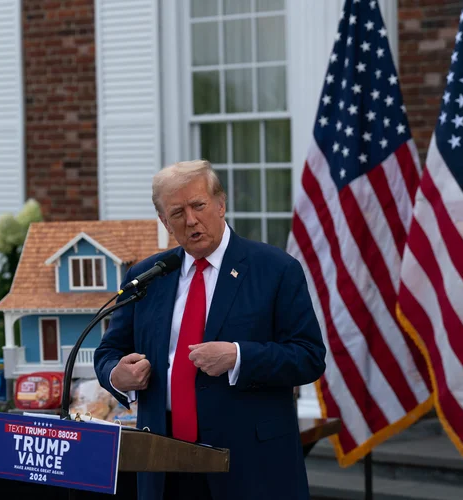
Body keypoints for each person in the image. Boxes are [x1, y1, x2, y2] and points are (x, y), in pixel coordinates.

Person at [94, 160, 326, 500]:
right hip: (163, 464)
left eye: (198, 206)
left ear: (221, 204)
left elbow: (309, 357)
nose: (190, 220)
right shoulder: (147, 276)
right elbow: (108, 352)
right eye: (177, 213)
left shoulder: (275, 269)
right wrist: (117, 375)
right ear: (164, 222)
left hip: (249, 465)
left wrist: (239, 356)